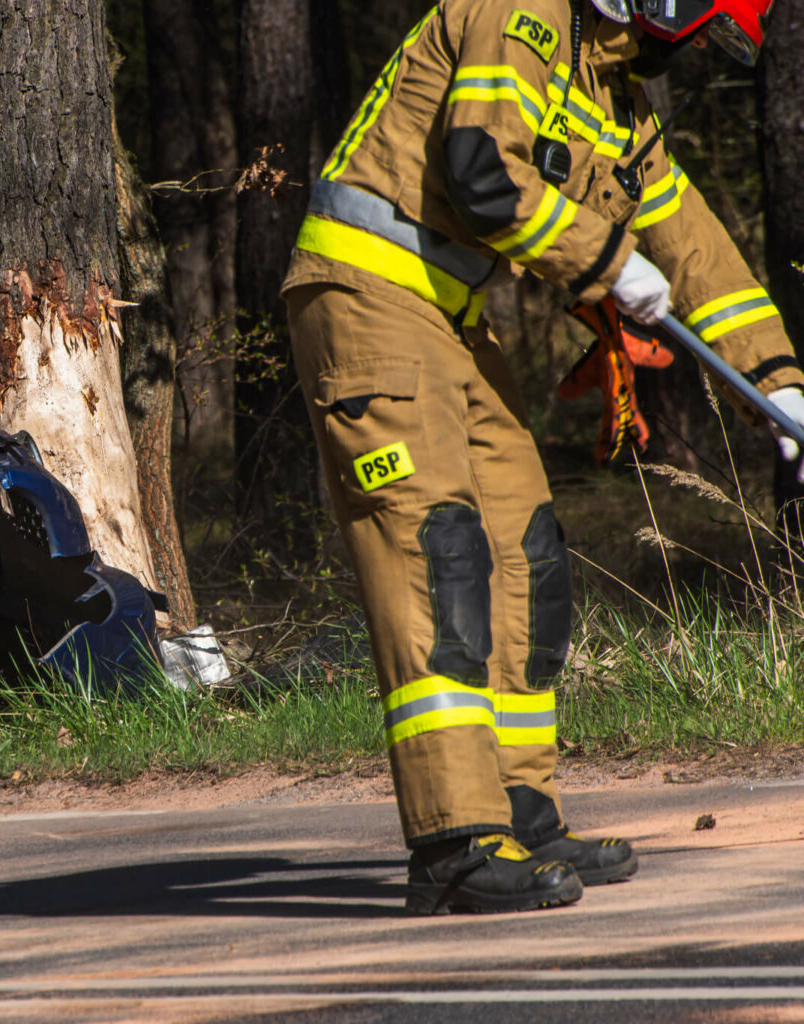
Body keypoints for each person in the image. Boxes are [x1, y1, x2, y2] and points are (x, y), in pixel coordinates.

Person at [281, 0, 801, 914]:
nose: (670, 50)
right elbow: (481, 173)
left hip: (452, 318)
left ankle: (519, 810)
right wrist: (606, 260)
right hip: (369, 297)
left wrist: (780, 386)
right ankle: (453, 840)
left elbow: (694, 246)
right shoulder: (518, 10)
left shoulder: (611, 93)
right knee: (434, 551)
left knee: (529, 556)